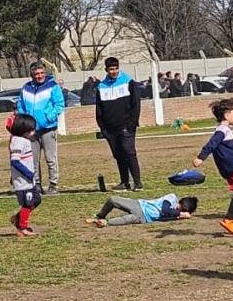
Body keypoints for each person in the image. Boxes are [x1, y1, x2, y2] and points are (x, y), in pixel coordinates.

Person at [192, 98, 233, 236]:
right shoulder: (222, 130)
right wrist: (201, 157)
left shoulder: (225, 130)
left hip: (230, 168)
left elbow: (228, 150)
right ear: (226, 115)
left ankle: (229, 220)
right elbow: (212, 144)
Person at [15, 61, 65, 194]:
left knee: (50, 158)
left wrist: (49, 117)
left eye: (42, 73)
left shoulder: (53, 86)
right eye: (36, 73)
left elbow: (59, 104)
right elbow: (21, 106)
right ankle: (36, 183)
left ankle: (53, 184)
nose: (39, 76)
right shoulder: (25, 88)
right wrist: (25, 121)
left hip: (48, 128)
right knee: (33, 160)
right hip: (31, 131)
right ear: (31, 74)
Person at [95, 57, 143, 192]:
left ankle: (137, 182)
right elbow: (99, 109)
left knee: (129, 152)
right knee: (118, 155)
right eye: (111, 69)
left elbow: (136, 104)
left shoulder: (129, 82)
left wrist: (132, 123)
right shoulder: (101, 86)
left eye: (116, 68)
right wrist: (103, 128)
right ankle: (125, 182)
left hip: (126, 126)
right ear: (106, 70)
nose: (114, 71)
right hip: (110, 129)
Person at [7, 113, 40, 237]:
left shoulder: (22, 140)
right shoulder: (18, 141)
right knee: (28, 203)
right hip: (23, 181)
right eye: (32, 129)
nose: (34, 132)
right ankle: (22, 228)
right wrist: (28, 173)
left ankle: (17, 218)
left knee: (36, 200)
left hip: (28, 180)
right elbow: (15, 161)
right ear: (23, 130)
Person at [85, 194, 198, 227]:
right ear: (180, 200)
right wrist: (180, 213)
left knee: (127, 220)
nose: (175, 209)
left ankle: (105, 223)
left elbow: (163, 218)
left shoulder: (176, 214)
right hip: (139, 205)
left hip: (144, 217)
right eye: (178, 207)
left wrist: (177, 217)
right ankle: (100, 216)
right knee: (112, 200)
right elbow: (165, 209)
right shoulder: (172, 198)